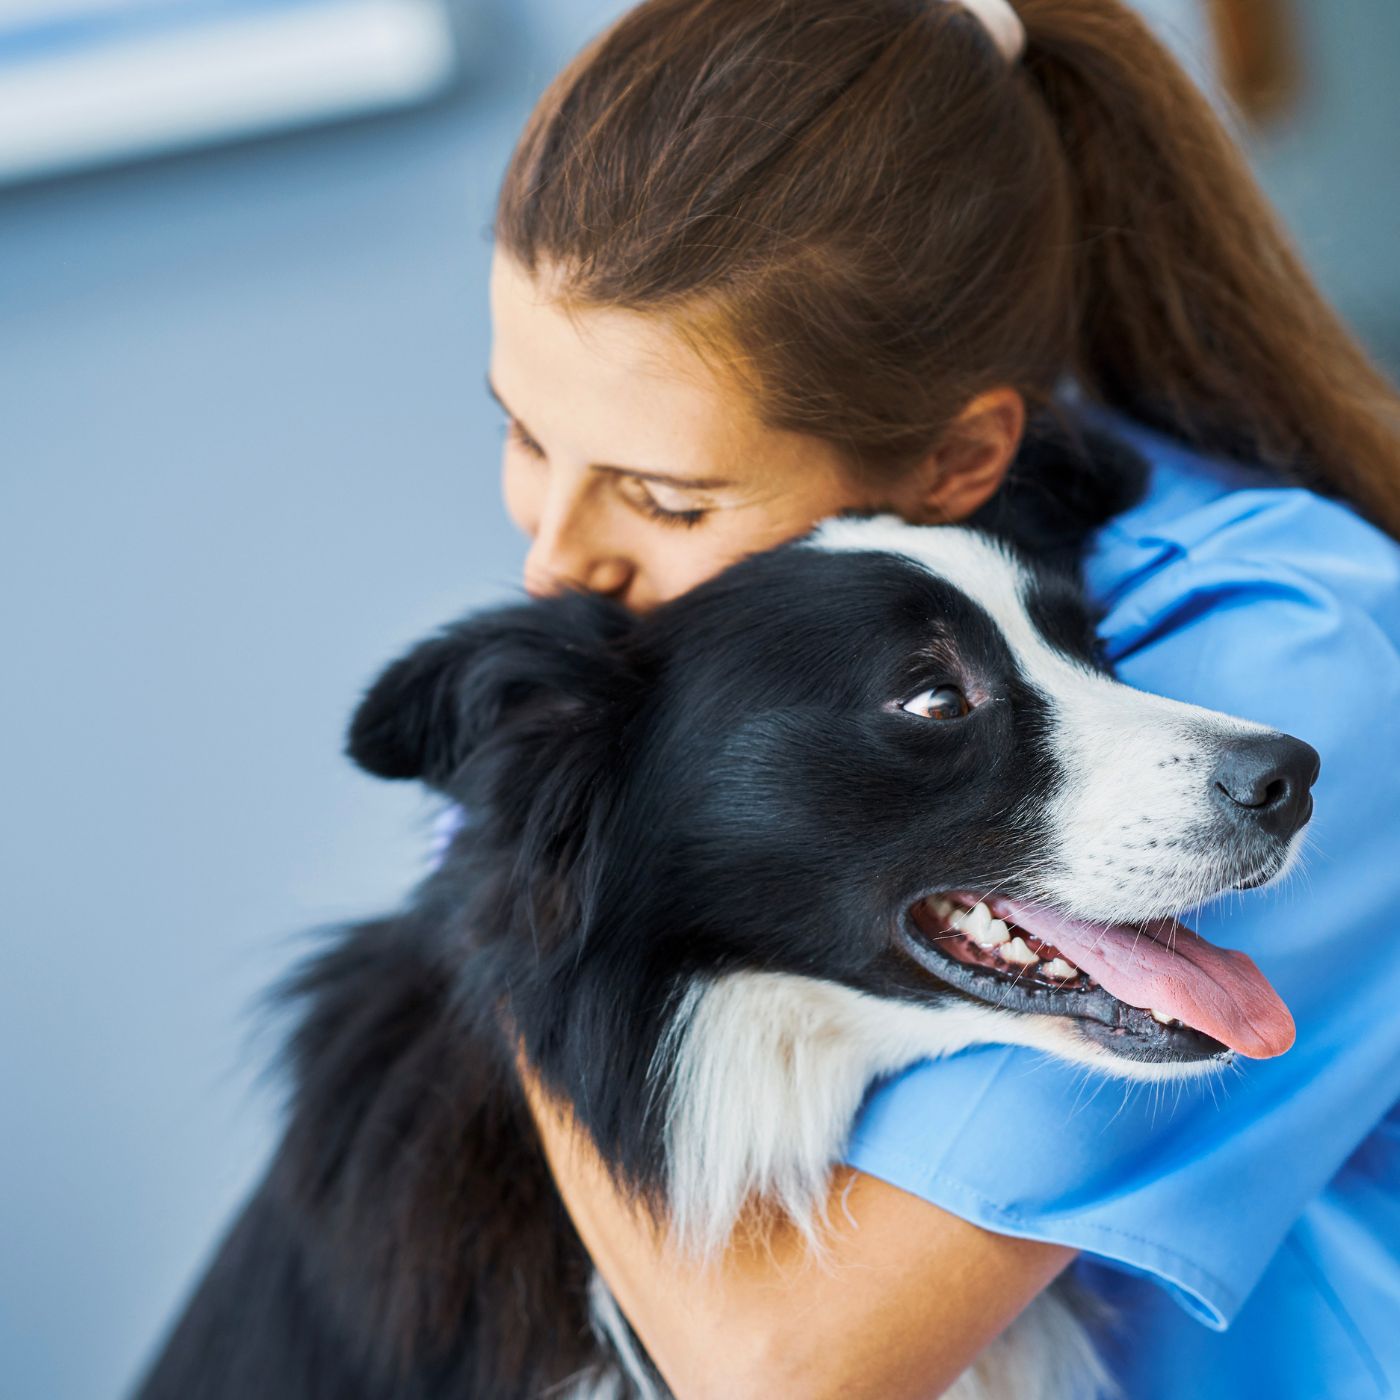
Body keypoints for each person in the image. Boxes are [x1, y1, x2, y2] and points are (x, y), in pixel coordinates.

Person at [458, 0, 1400, 1394]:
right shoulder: (692, 666)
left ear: (959, 464)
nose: (554, 561)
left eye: (666, 497)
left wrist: (526, 902)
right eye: (528, 437)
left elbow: (790, 1372)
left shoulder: (1294, 648)